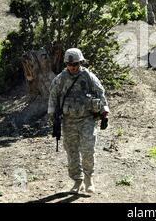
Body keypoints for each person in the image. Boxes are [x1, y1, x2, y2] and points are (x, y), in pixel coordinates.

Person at [47, 48, 110, 194]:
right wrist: (53, 116)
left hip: (87, 119)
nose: (73, 67)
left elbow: (100, 93)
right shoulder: (60, 79)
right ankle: (77, 180)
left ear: (80, 62)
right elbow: (53, 96)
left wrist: (104, 112)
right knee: (72, 151)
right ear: (66, 64)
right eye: (70, 64)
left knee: (88, 149)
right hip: (68, 120)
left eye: (75, 64)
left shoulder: (88, 76)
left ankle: (88, 179)